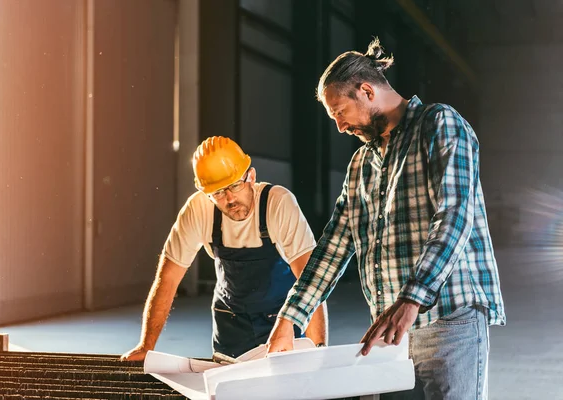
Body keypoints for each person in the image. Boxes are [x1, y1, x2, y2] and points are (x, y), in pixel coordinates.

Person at [266, 38, 505, 399]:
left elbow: (455, 217)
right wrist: (292, 317)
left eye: (340, 113)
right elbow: (333, 246)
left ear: (366, 91)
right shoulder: (362, 164)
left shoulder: (439, 124)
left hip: (449, 325)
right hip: (390, 335)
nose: (340, 128)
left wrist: (411, 301)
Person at [122, 136, 327, 361]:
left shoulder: (277, 204)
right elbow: (168, 279)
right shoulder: (198, 210)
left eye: (234, 186)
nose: (229, 199)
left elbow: (311, 283)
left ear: (251, 176)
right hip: (231, 324)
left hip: (282, 319)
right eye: (218, 192)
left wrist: (319, 353)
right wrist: (146, 346)